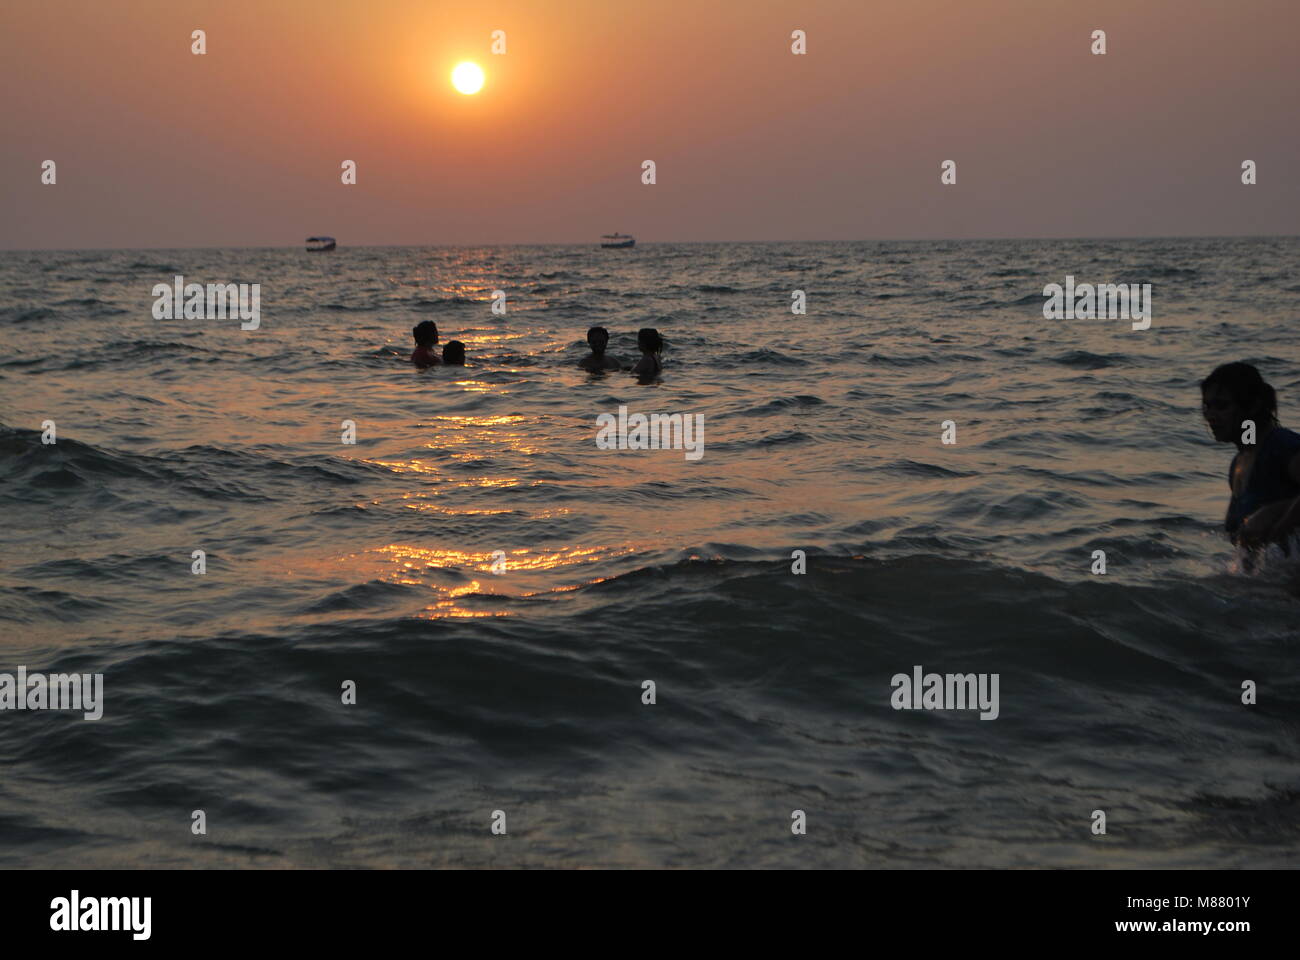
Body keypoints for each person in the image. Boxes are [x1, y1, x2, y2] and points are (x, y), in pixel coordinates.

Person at [1201, 362, 1300, 550]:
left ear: (1253, 406)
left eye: (1222, 406)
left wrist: (1277, 514)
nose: (1210, 416)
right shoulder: (1240, 461)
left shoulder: (1282, 447)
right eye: (1207, 406)